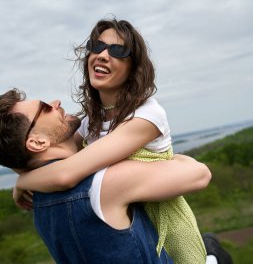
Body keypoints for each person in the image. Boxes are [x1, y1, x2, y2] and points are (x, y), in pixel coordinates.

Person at [12, 18, 226, 264]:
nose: (103, 55)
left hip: (163, 220)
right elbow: (58, 155)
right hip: (125, 222)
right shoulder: (91, 121)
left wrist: (23, 181)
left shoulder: (145, 115)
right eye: (97, 46)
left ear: (133, 68)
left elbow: (67, 173)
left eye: (117, 50)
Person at [0, 88, 214, 264]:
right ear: (38, 142)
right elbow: (199, 174)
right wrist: (168, 158)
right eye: (44, 108)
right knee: (212, 248)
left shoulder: (37, 199)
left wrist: (24, 180)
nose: (55, 102)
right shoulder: (103, 184)